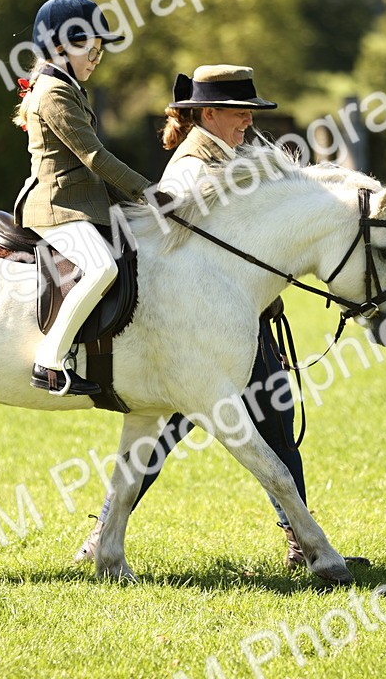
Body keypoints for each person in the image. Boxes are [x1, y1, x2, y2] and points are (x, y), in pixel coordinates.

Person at [73, 65, 314, 569]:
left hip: (237, 324)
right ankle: (101, 538)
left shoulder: (230, 156)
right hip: (197, 334)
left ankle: (302, 541)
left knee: (271, 421)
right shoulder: (191, 168)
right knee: (158, 440)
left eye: (251, 113)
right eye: (240, 112)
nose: (248, 122)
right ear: (208, 113)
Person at [13, 0, 154, 396]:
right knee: (102, 269)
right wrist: (148, 192)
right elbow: (94, 156)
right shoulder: (54, 94)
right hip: (56, 206)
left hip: (80, 204)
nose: (95, 58)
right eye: (89, 49)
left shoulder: (66, 86)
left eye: (99, 52)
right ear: (60, 48)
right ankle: (49, 360)